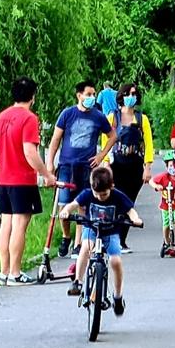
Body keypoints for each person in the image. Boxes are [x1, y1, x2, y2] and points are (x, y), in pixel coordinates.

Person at [0, 77, 57, 286]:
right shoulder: (29, 118)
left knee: (6, 224)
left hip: (3, 178)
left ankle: (3, 272)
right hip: (21, 179)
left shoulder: (1, 117)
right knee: (20, 225)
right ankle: (16, 273)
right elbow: (30, 151)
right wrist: (47, 174)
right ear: (33, 97)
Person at [46, 80, 116, 259]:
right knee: (63, 205)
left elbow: (112, 135)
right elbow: (55, 139)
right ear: (79, 95)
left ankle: (78, 244)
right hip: (66, 165)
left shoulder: (98, 116)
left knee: (82, 205)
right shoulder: (67, 114)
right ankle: (65, 236)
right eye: (89, 94)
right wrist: (50, 164)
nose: (92, 97)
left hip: (87, 167)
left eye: (94, 94)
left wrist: (101, 155)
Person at [60, 167, 143, 317]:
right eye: (96, 194)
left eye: (104, 194)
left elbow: (131, 210)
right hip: (92, 229)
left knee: (116, 261)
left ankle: (117, 296)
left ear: (111, 186)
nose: (99, 197)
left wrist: (135, 219)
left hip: (111, 233)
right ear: (92, 187)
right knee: (85, 247)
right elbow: (73, 204)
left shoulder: (118, 196)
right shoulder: (87, 194)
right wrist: (66, 211)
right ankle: (78, 282)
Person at [101, 83, 154, 253]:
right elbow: (106, 141)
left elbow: (148, 144)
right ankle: (111, 238)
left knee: (128, 203)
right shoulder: (112, 118)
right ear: (122, 96)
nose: (132, 96)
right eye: (129, 93)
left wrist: (147, 167)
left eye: (134, 94)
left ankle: (121, 240)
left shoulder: (141, 118)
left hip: (135, 165)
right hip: (117, 164)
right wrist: (106, 163)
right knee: (115, 201)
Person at [150, 151, 175, 255]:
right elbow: (151, 181)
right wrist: (157, 186)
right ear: (167, 166)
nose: (173, 168)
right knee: (166, 225)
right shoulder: (164, 177)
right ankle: (167, 242)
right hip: (166, 205)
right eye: (170, 165)